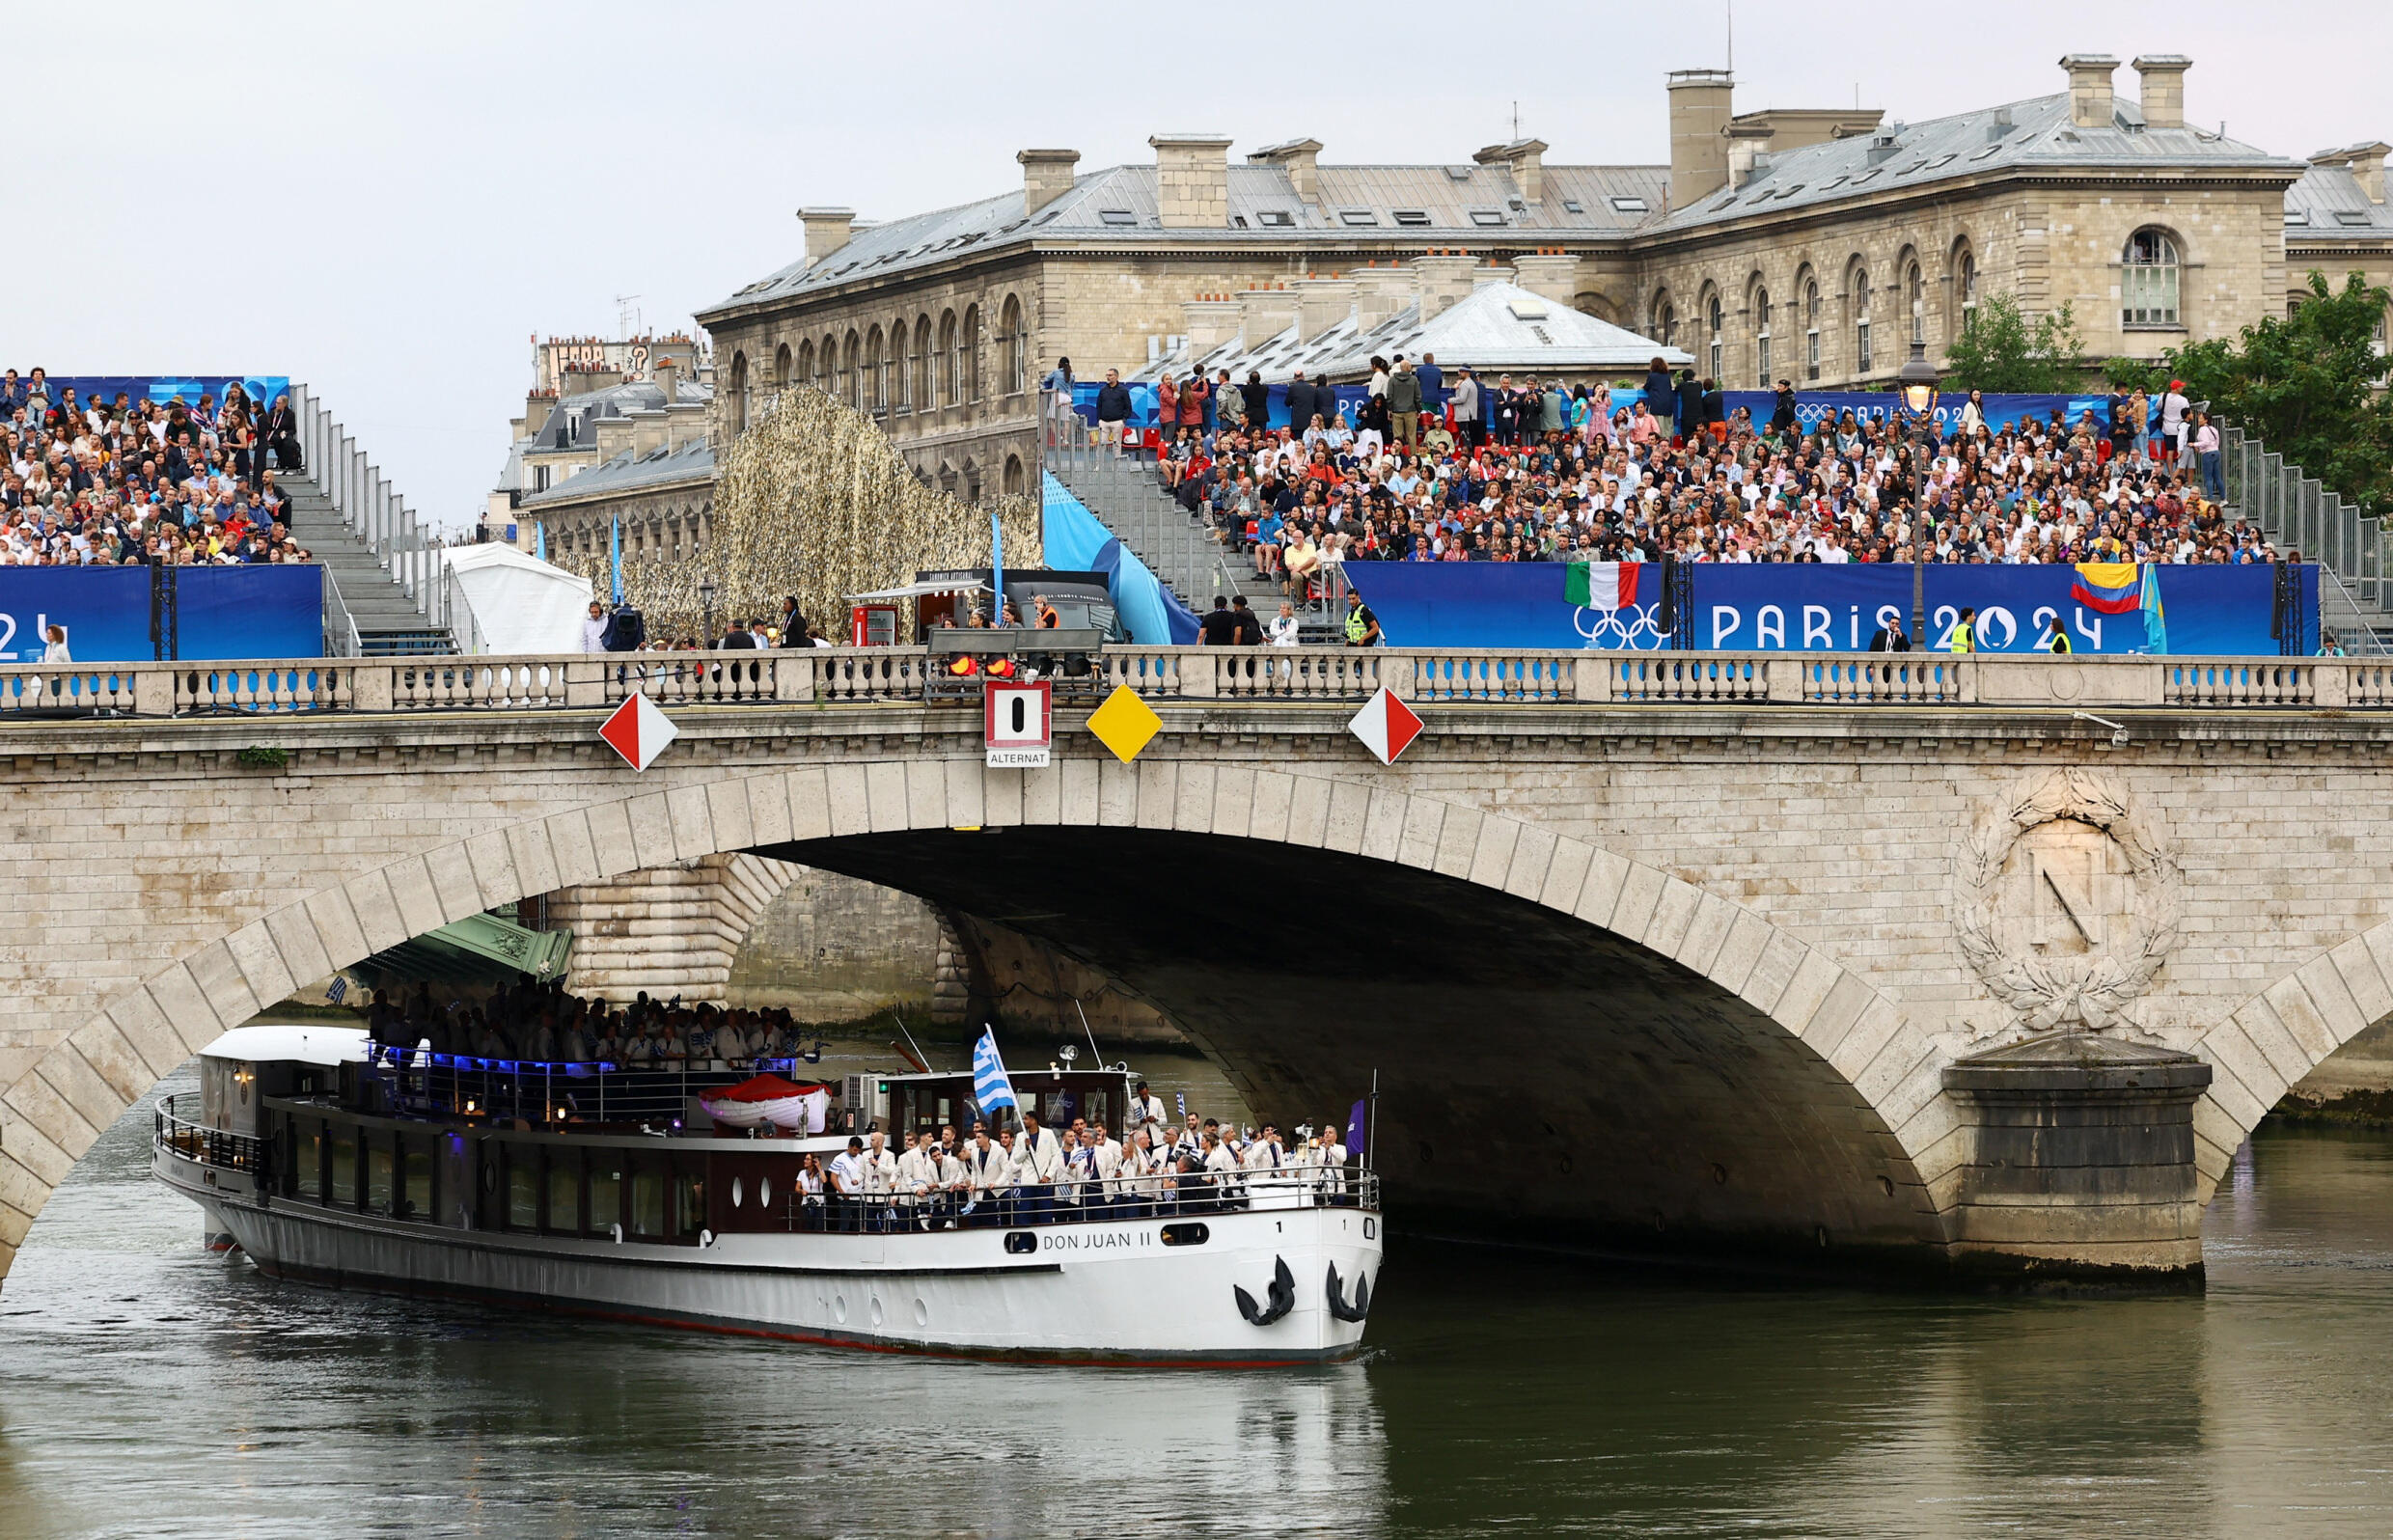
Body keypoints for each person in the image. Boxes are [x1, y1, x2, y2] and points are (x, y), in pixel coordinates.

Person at [1014, 1108, 1063, 1223]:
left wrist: (1049, 1175)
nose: (1023, 1121)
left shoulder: (1048, 1133)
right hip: (1028, 1182)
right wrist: (1026, 1149)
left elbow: (1056, 1155)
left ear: (1033, 1120)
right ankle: (1026, 1239)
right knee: (1026, 1214)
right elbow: (1016, 1159)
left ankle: (1044, 1238)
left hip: (1044, 1181)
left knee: (1045, 1214)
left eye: (1025, 1119)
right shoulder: (1021, 1136)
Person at [1093, 369, 1132, 451]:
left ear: (1116, 376)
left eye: (1110, 375)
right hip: (1104, 422)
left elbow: (1128, 407)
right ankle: (1099, 464)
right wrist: (1099, 420)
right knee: (1101, 446)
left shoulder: (1123, 391)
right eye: (1107, 375)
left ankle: (1116, 463)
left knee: (1117, 446)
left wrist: (1123, 420)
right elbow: (1099, 405)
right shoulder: (1103, 390)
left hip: (1117, 422)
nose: (1108, 377)